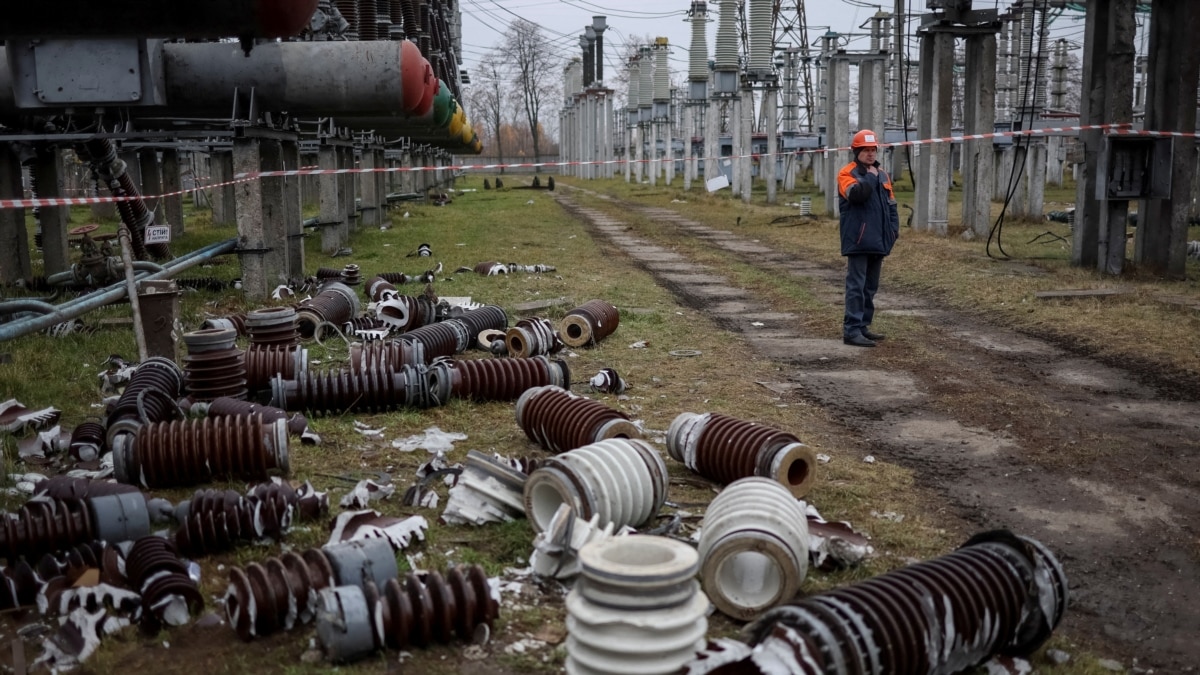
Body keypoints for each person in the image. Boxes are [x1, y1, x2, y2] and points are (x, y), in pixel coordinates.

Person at [837, 129, 899, 348]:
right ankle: (851, 330)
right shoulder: (847, 173)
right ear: (856, 151)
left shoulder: (882, 174)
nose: (871, 154)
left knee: (870, 287)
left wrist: (893, 230)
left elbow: (891, 204)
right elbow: (856, 196)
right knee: (856, 285)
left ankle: (863, 326)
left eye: (873, 150)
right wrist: (870, 179)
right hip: (858, 239)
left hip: (879, 239)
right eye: (866, 150)